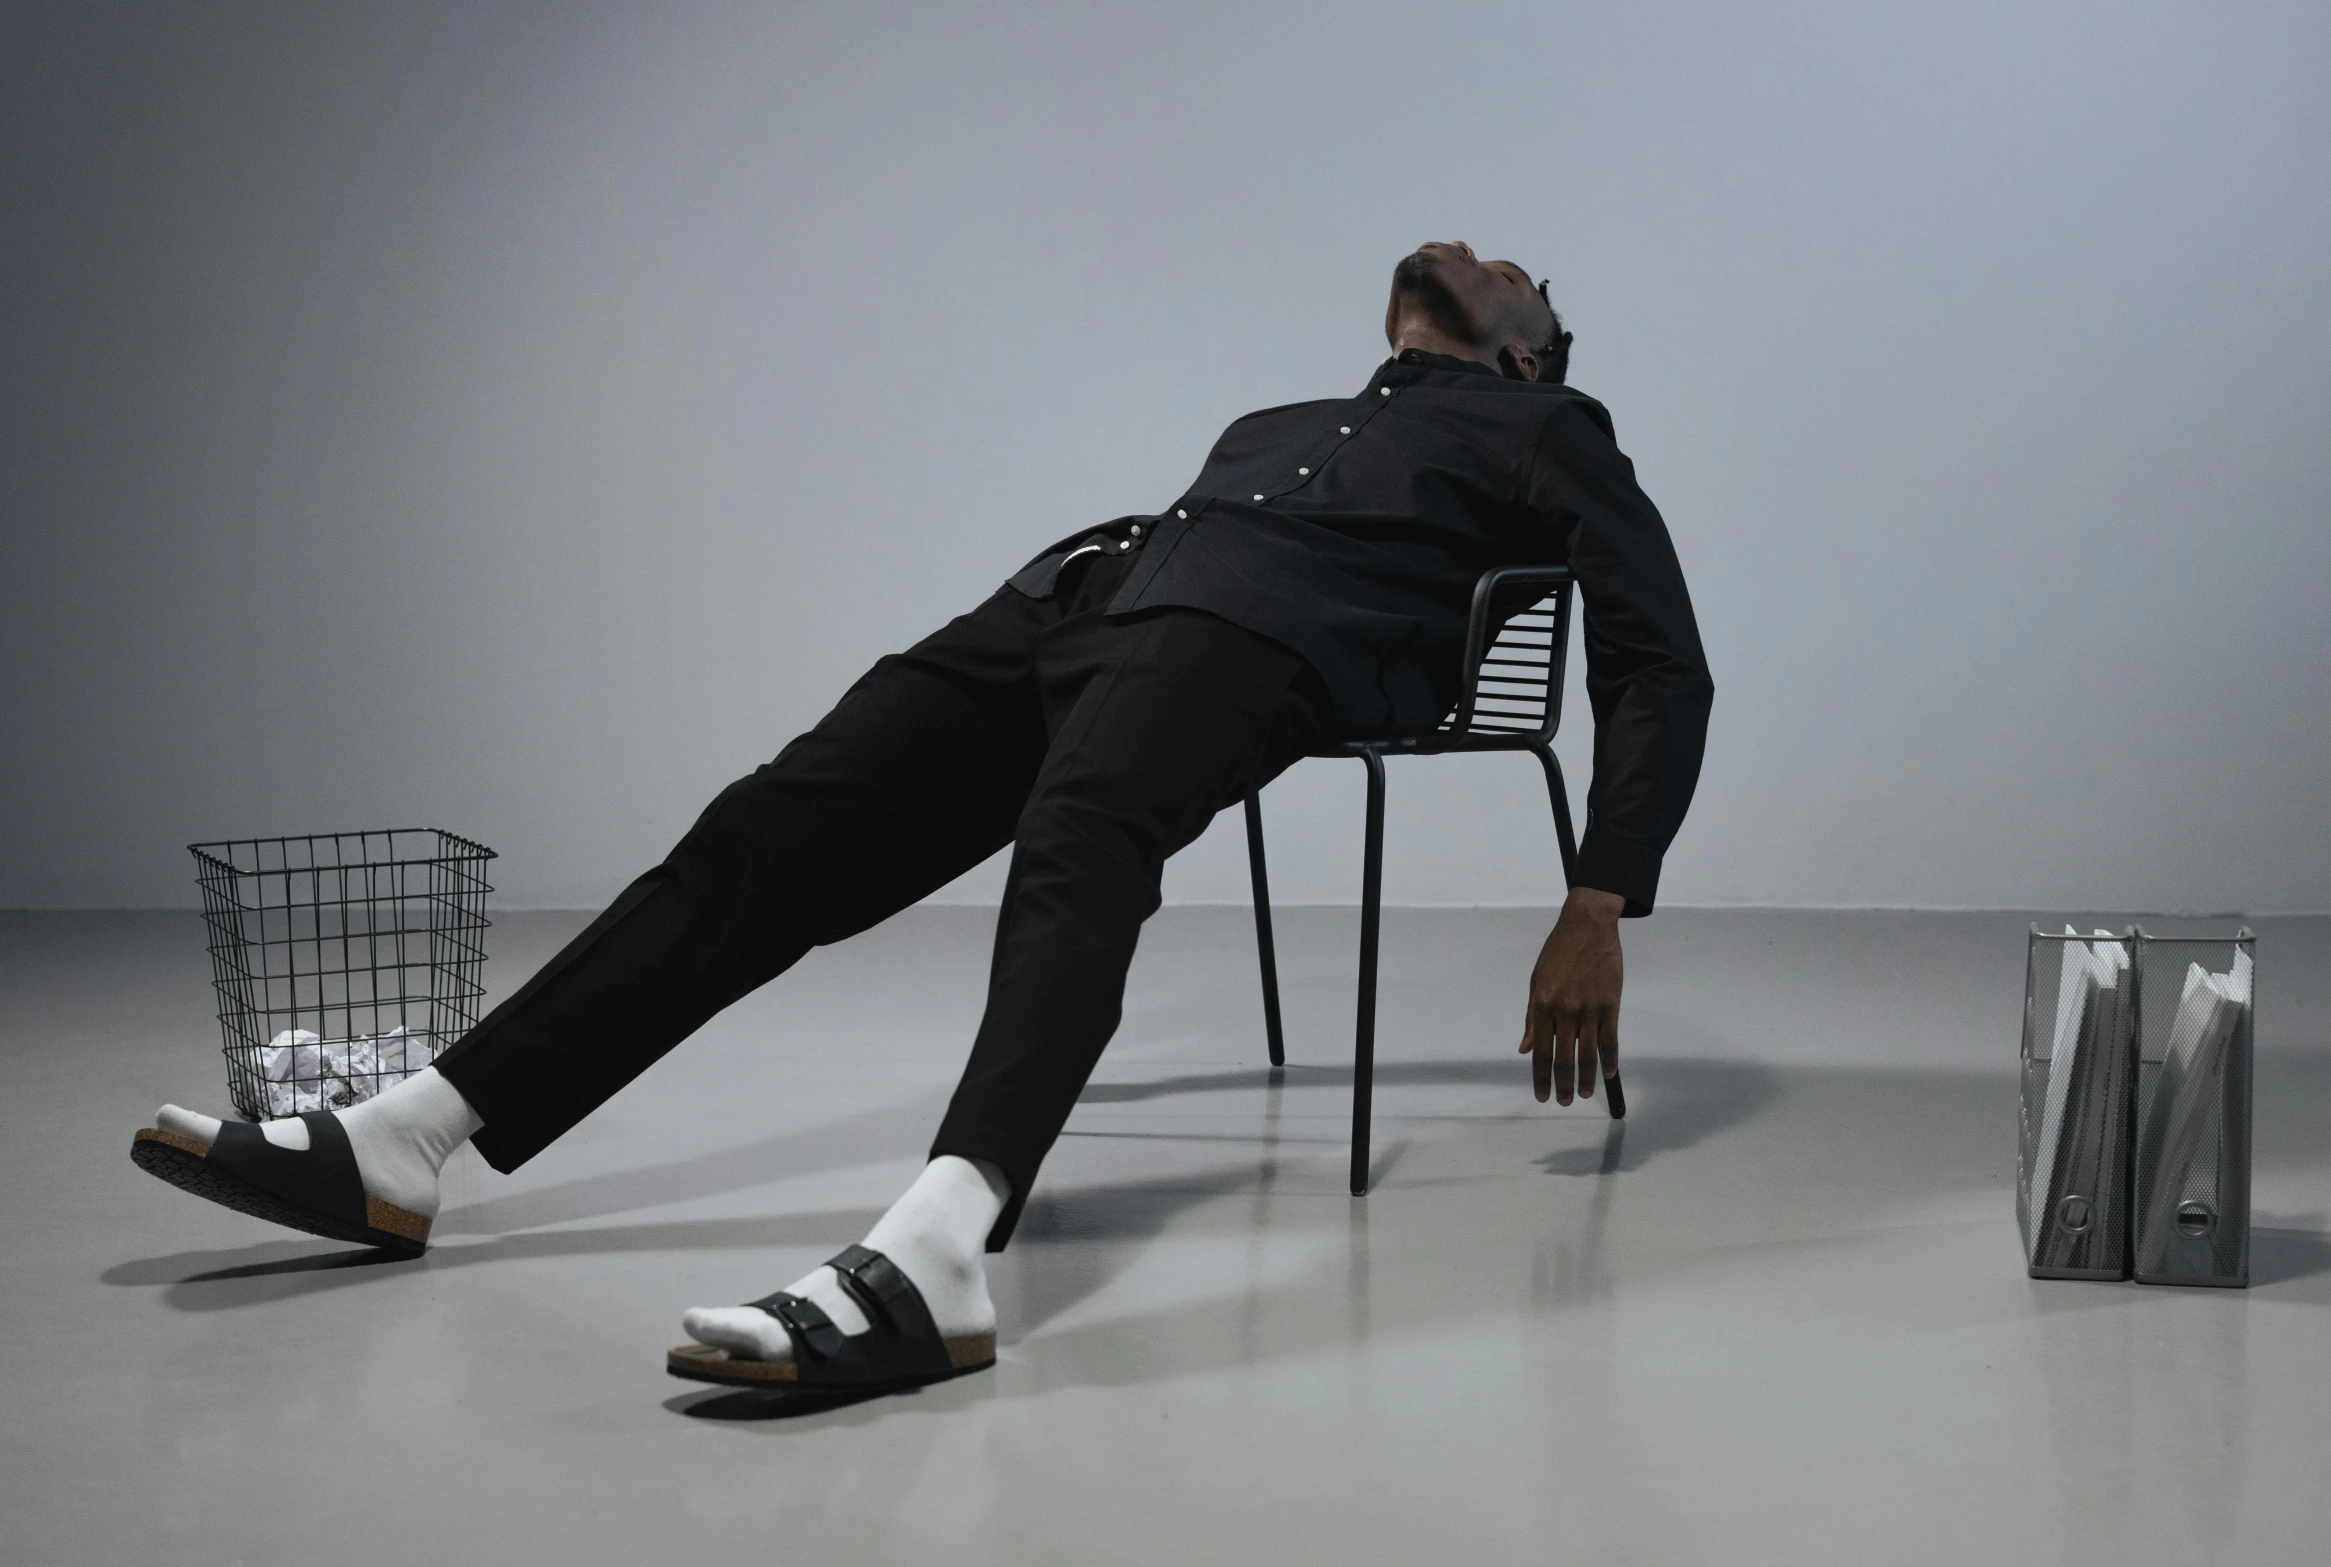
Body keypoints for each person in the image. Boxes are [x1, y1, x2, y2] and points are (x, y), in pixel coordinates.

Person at [132, 241, 1713, 1398]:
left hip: (1264, 647)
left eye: (1520, 270)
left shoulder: (1548, 434)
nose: (1485, 254)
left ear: (1527, 353)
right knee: (772, 826)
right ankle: (406, 1144)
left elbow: (1661, 661)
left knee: (1080, 836)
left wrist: (1598, 894)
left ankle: (942, 1257)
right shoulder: (1278, 416)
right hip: (1077, 603)